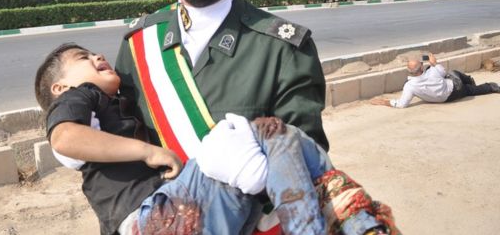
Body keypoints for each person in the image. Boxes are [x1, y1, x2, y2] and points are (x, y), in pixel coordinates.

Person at [112, 0, 329, 233]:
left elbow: (306, 171)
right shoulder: (140, 43)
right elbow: (121, 154)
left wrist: (255, 178)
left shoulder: (284, 49)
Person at [35, 42, 395, 235]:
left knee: (283, 137)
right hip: (149, 219)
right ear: (60, 87)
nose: (97, 55)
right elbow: (64, 139)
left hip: (176, 214)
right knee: (255, 135)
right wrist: (147, 151)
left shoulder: (114, 103)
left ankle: (357, 225)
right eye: (83, 57)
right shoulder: (79, 97)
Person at [371, 52, 499, 108]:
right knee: (454, 74)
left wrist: (383, 102)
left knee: (467, 88)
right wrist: (434, 62)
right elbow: (443, 72)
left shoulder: (410, 86)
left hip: (444, 100)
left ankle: (481, 86)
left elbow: (401, 104)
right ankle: (478, 83)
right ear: (421, 67)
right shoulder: (433, 71)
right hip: (455, 89)